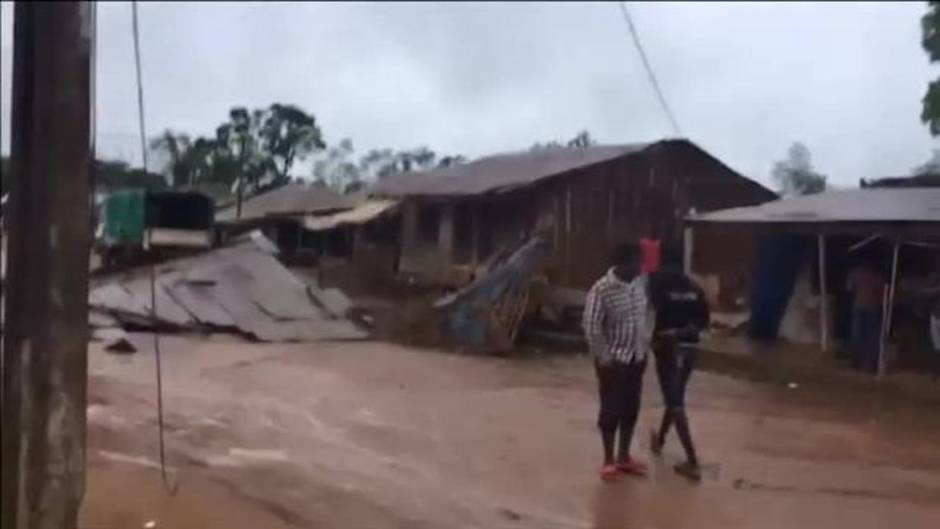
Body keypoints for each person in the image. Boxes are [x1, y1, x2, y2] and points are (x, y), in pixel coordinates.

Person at [583, 242, 653, 481]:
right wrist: (604, 358)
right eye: (636, 261)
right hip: (613, 360)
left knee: (631, 408)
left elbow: (645, 315)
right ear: (622, 263)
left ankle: (624, 457)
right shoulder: (601, 290)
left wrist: (645, 346)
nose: (640, 266)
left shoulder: (640, 282)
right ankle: (608, 460)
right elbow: (592, 327)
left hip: (637, 356)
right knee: (610, 409)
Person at [647, 245, 710, 481]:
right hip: (690, 349)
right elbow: (704, 323)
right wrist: (686, 331)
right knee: (675, 396)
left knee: (674, 401)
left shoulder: (656, 282)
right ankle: (660, 440)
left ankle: (692, 461)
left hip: (667, 347)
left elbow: (648, 313)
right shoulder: (694, 287)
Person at [846, 259, 887, 373]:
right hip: (872, 306)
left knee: (858, 334)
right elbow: (883, 291)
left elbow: (849, 289)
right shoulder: (876, 275)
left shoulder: (856, 272)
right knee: (871, 335)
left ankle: (857, 361)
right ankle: (871, 362)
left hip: (859, 305)